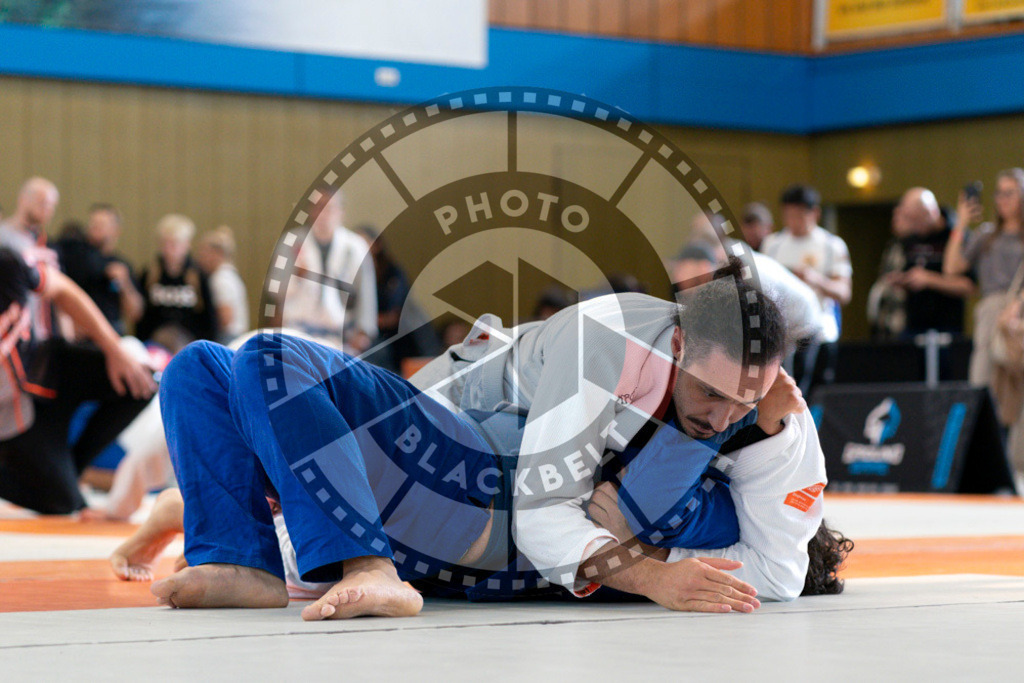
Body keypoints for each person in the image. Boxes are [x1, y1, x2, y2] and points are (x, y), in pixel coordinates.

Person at [146, 267, 813, 618]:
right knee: (196, 367)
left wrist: (650, 568)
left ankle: (366, 565)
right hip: (473, 458)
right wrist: (651, 571)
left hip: (482, 502)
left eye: (744, 404)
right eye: (710, 392)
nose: (725, 415)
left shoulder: (773, 425)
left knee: (266, 357)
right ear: (676, 342)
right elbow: (547, 509)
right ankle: (242, 558)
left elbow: (782, 571)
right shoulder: (607, 340)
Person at [0, 246, 155, 514]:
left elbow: (64, 289)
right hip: (13, 412)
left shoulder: (7, 262)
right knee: (64, 502)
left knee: (141, 381)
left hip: (46, 367)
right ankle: (64, 478)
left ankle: (74, 467)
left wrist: (114, 349)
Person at [762, 185, 852, 389]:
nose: (793, 222)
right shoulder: (773, 244)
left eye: (799, 216)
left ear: (815, 213)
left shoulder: (831, 245)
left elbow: (844, 293)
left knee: (813, 388)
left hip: (818, 328)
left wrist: (814, 279)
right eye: (788, 216)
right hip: (782, 330)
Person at [944, 169, 1024, 394]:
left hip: (1019, 313)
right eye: (999, 193)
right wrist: (961, 224)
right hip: (991, 312)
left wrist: (1017, 305)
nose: (1003, 200)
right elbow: (952, 268)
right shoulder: (987, 235)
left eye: (1010, 193)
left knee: (1018, 392)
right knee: (981, 381)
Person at [868, 188, 974, 341]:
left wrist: (929, 280)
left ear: (930, 213)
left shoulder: (957, 237)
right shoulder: (911, 238)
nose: (911, 226)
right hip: (913, 326)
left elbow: (969, 286)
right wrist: (904, 280)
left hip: (947, 327)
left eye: (915, 220)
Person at [282, 192, 377, 355]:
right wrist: (296, 277)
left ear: (341, 211)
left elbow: (366, 293)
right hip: (297, 331)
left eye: (329, 208)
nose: (323, 214)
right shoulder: (292, 242)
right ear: (310, 211)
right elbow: (277, 292)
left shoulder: (355, 246)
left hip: (339, 336)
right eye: (318, 207)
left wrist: (363, 331)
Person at [55, 204, 144, 336]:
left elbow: (135, 313)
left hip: (111, 333)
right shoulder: (74, 257)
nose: (95, 228)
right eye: (93, 223)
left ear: (116, 230)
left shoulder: (121, 265)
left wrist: (124, 284)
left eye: (101, 224)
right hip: (80, 334)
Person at [137, 214, 219, 343]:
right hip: (155, 341)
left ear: (186, 245)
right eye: (165, 244)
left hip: (189, 340)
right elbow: (142, 314)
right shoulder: (150, 274)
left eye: (174, 244)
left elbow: (210, 316)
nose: (169, 250)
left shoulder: (198, 275)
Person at [196, 226, 249, 344]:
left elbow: (225, 318)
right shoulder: (229, 274)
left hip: (227, 338)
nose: (200, 258)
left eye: (204, 253)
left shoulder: (220, 279)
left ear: (217, 254)